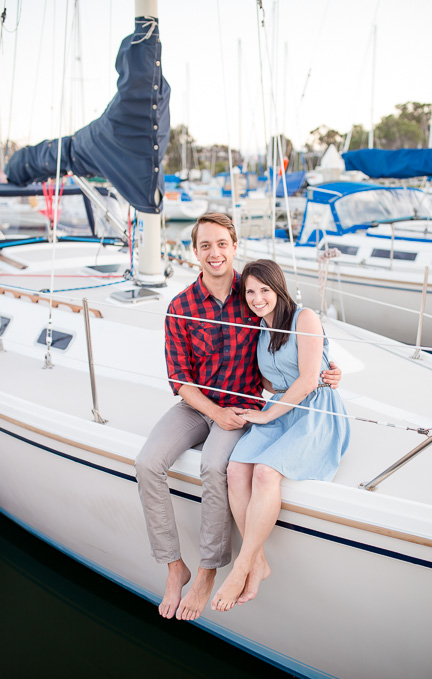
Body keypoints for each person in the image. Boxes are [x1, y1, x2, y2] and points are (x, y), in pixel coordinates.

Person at [135, 214, 342, 622]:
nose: (215, 253)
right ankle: (175, 566)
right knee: (146, 463)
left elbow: (292, 340)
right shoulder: (180, 307)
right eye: (206, 246)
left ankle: (210, 569)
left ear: (234, 247)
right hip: (199, 405)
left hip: (245, 404)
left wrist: (325, 371)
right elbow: (179, 380)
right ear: (194, 252)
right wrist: (215, 413)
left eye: (222, 244)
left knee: (216, 466)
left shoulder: (252, 294)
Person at [211, 259, 350, 613]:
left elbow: (306, 381)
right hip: (282, 409)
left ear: (279, 289)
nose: (257, 299)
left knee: (265, 472)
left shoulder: (304, 318)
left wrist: (267, 413)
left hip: (315, 411)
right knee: (235, 469)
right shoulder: (259, 330)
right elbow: (272, 382)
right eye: (251, 292)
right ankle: (259, 562)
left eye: (265, 290)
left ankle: (243, 565)